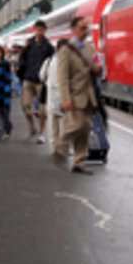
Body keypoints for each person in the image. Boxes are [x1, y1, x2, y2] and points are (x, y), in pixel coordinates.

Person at [55, 16, 102, 175]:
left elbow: (95, 67)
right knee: (77, 125)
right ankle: (61, 143)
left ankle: (79, 162)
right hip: (74, 96)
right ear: (74, 30)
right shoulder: (65, 50)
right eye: (82, 28)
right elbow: (62, 78)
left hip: (88, 95)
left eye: (87, 28)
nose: (86, 31)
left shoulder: (89, 48)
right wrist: (65, 98)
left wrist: (97, 69)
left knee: (85, 129)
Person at [17, 20, 56, 143]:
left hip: (42, 82)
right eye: (37, 29)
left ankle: (42, 133)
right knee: (25, 106)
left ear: (45, 30)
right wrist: (21, 72)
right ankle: (32, 126)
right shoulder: (29, 44)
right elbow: (22, 59)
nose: (39, 31)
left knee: (42, 110)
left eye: (42, 29)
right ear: (34, 29)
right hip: (28, 79)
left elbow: (52, 63)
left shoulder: (49, 47)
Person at [40, 40, 68, 152]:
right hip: (64, 97)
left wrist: (49, 82)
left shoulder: (49, 61)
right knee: (64, 124)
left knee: (53, 124)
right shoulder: (68, 62)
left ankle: (55, 146)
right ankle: (63, 147)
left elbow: (41, 76)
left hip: (51, 97)